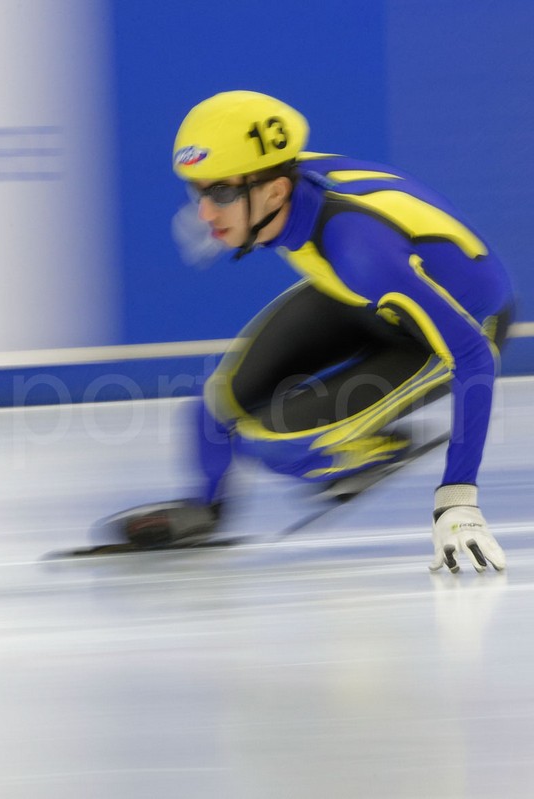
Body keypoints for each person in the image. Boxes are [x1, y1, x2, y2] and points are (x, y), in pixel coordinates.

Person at [101, 90, 515, 574]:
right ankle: (205, 511)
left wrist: (458, 500)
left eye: (221, 195)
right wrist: (228, 203)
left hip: (454, 331)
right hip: (364, 296)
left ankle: (378, 448)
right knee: (213, 407)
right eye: (199, 193)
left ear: (276, 193)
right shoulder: (281, 185)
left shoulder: (360, 250)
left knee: (270, 443)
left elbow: (473, 357)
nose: (205, 214)